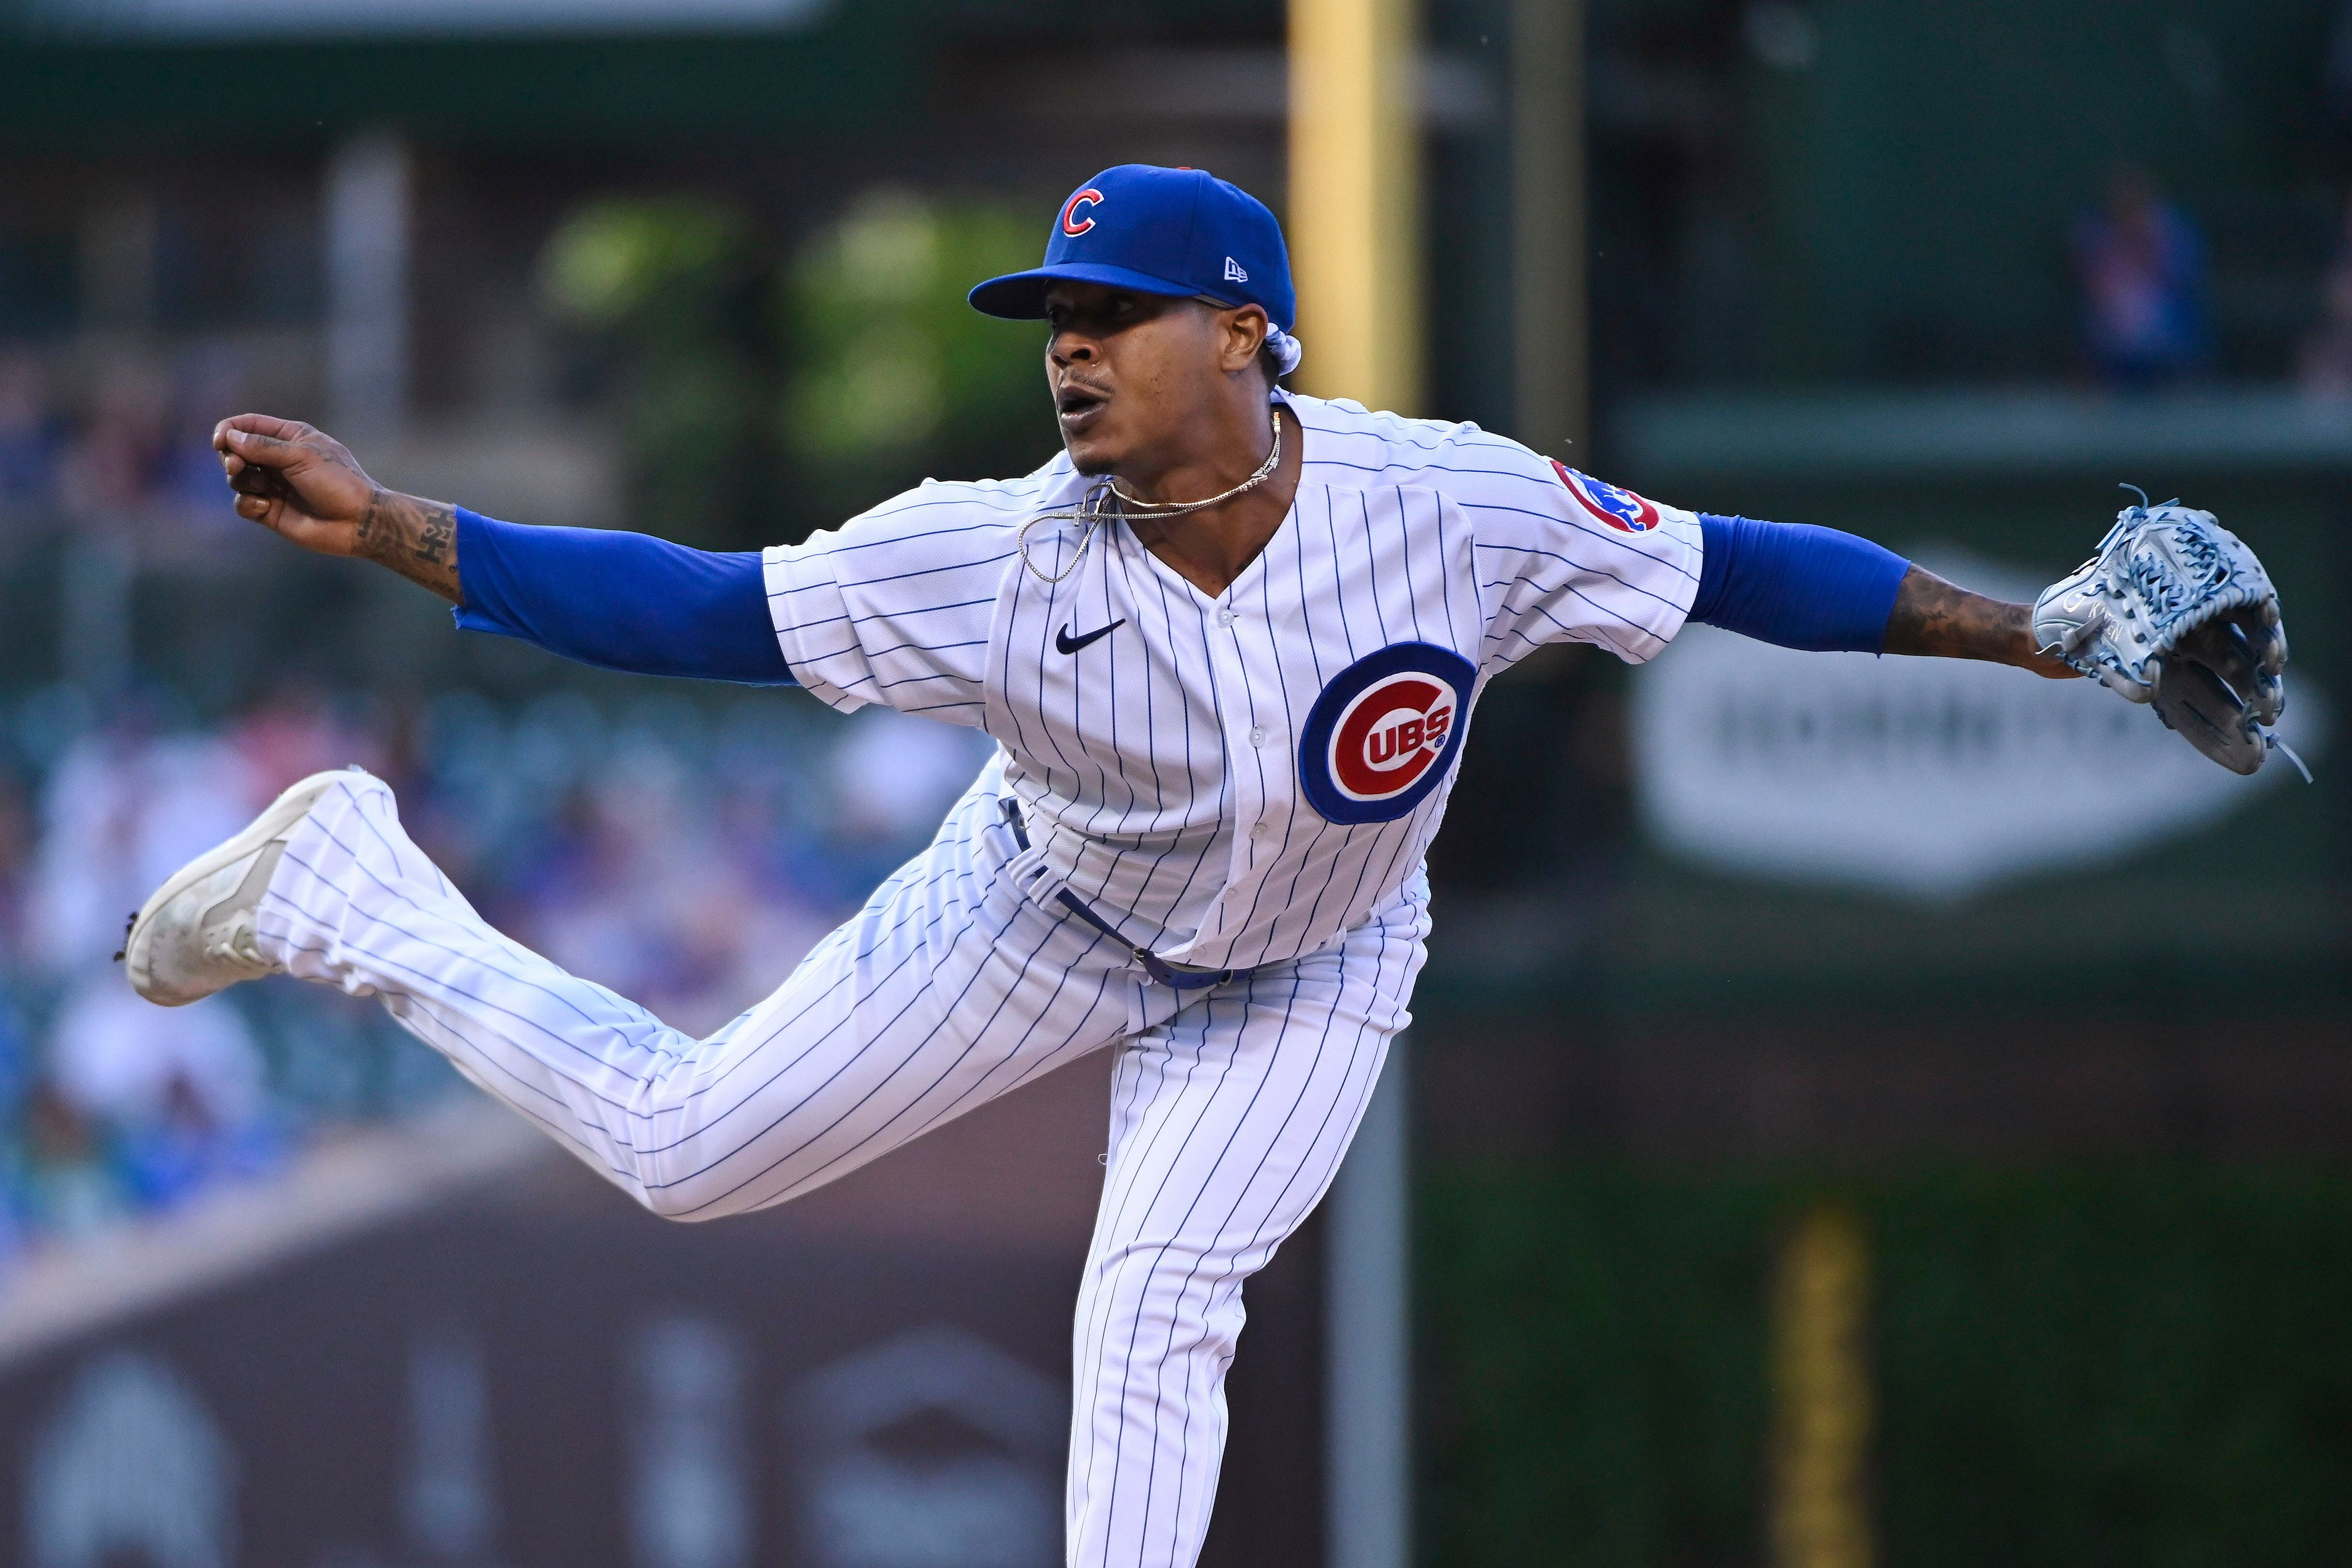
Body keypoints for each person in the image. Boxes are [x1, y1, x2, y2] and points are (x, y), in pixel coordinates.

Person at [119, 166, 2271, 1567]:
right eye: (1053, 308)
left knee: (1160, 1296)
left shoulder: (1453, 503)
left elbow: (1740, 572)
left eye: (1118, 305)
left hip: (1317, 962)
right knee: (688, 1150)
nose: (1068, 339)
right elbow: (691, 607)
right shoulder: (984, 556)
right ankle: (351, 900)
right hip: (1040, 914)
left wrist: (2030, 625)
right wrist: (403, 523)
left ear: (1245, 334)